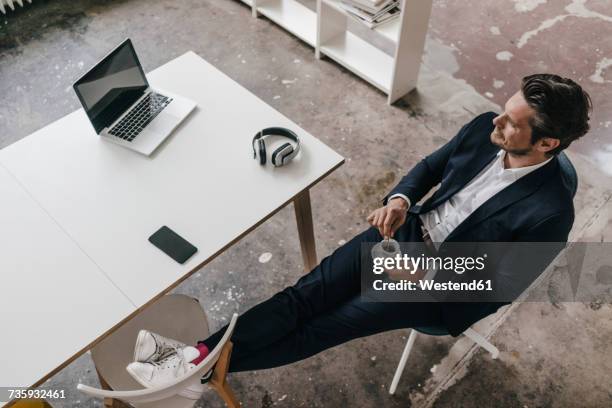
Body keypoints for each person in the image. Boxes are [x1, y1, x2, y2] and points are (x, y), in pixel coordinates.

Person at [125, 74, 592, 386]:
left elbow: (500, 287)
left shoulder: (551, 213)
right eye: (504, 110)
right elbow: (431, 166)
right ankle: (195, 361)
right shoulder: (482, 130)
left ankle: (191, 369)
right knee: (303, 296)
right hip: (405, 233)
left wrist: (421, 279)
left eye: (512, 123)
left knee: (324, 325)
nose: (497, 120)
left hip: (438, 288)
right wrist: (400, 200)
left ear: (547, 143)